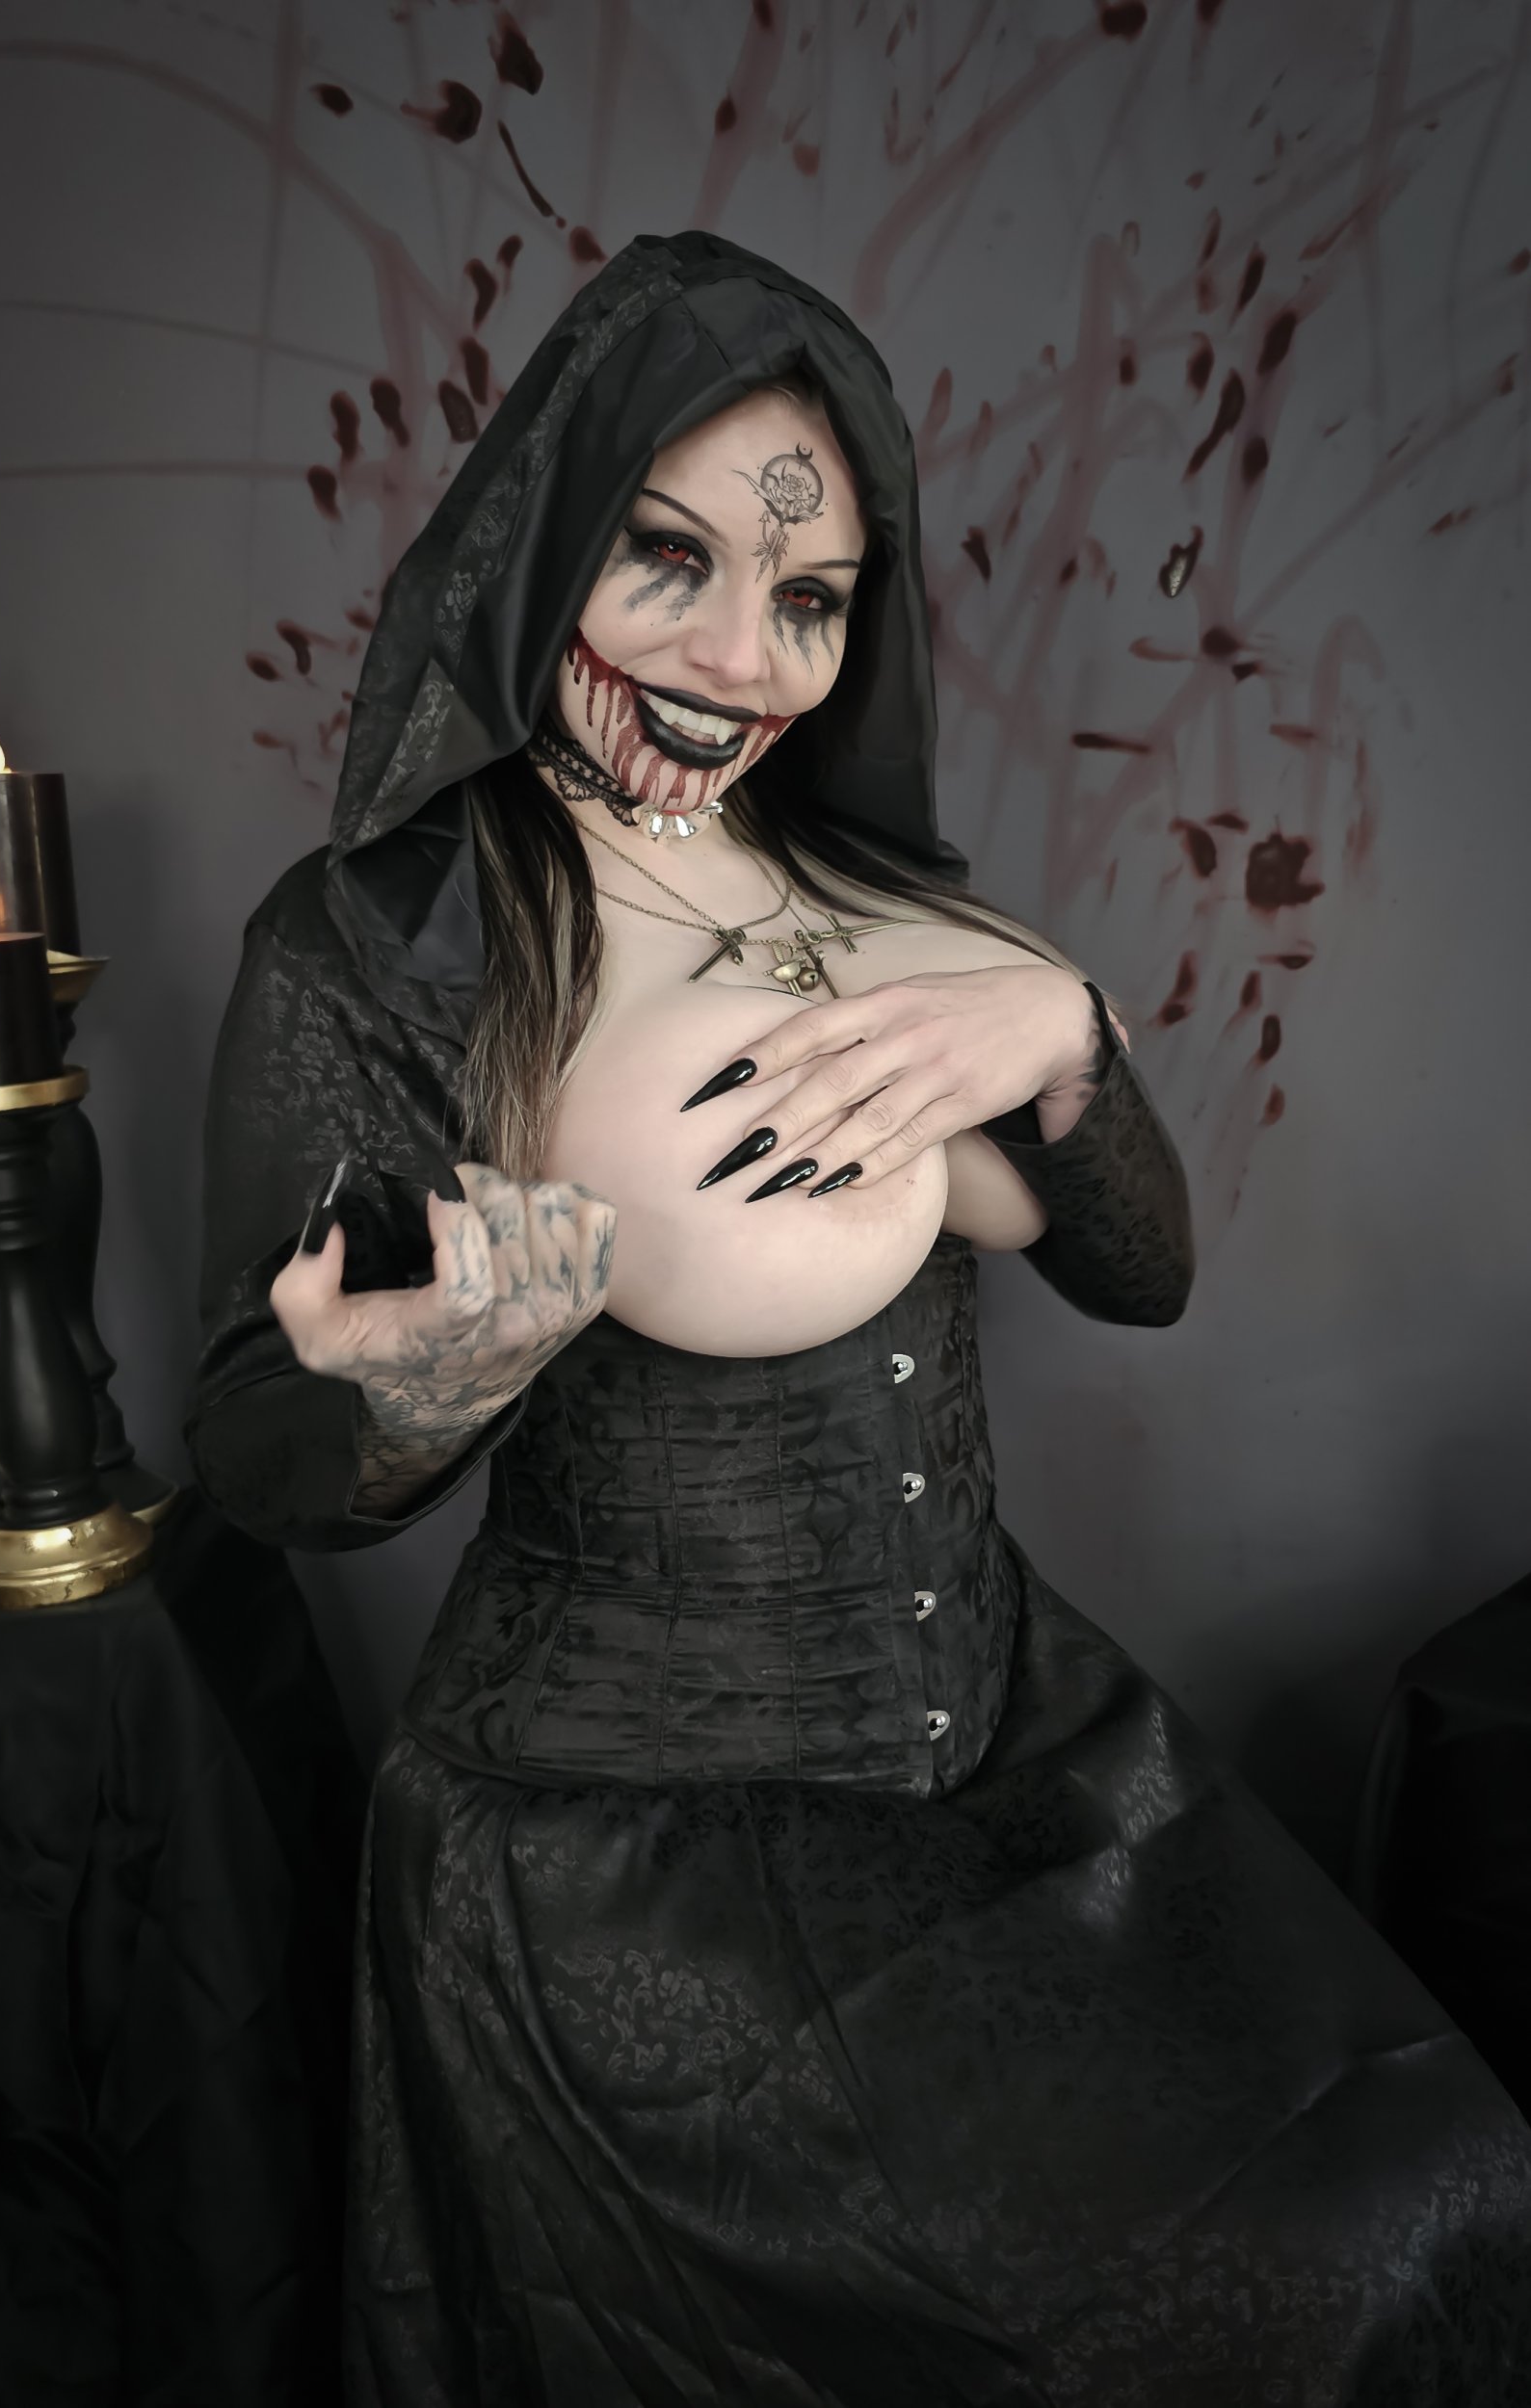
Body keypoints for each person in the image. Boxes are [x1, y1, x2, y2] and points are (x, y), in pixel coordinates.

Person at [190, 231, 1531, 2406]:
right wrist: (417, 1390)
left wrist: (1065, 1030)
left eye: (809, 596)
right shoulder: (392, 940)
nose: (744, 654)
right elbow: (267, 1454)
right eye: (669, 557)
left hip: (1024, 1762)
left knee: (1437, 2184)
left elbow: (1140, 1273)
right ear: (544, 540)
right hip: (638, 1865)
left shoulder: (867, 893)